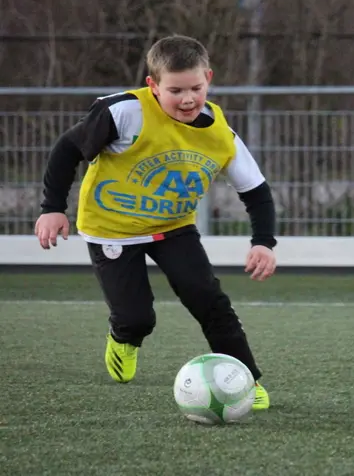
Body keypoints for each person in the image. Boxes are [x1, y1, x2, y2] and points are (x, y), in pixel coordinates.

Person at [34, 34, 276, 410]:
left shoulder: (220, 133)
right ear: (153, 85)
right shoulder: (123, 113)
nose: (188, 98)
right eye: (175, 90)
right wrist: (52, 207)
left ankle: (245, 380)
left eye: (196, 87)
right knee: (137, 318)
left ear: (209, 78)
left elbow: (256, 191)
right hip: (111, 228)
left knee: (209, 299)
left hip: (173, 227)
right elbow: (67, 149)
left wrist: (263, 241)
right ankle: (123, 337)